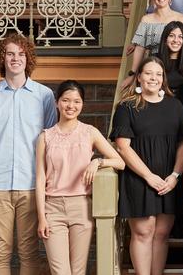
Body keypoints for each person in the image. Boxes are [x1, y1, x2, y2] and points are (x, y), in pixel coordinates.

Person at [0, 33, 58, 275]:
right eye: (10, 53)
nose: (16, 58)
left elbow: (50, 140)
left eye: (21, 54)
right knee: (0, 250)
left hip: (31, 185)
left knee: (29, 250)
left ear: (28, 58)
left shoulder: (44, 96)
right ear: (2, 58)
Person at [110, 56, 183, 275]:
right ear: (139, 77)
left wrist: (175, 175)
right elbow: (123, 147)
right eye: (148, 73)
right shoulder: (126, 107)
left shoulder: (174, 106)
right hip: (139, 177)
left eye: (158, 74)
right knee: (144, 231)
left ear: (163, 79)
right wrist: (148, 176)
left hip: (168, 179)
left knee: (162, 232)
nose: (153, 78)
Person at [35, 80, 125, 275]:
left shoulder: (89, 132)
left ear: (82, 104)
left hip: (82, 207)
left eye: (77, 101)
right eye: (66, 100)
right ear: (57, 102)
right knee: (60, 272)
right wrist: (42, 217)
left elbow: (120, 161)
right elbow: (40, 180)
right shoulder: (45, 137)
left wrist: (98, 162)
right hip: (53, 208)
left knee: (78, 271)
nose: (71, 106)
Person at [126, 0, 183, 86]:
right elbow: (140, 48)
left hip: (177, 68)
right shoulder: (146, 20)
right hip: (153, 68)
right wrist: (133, 73)